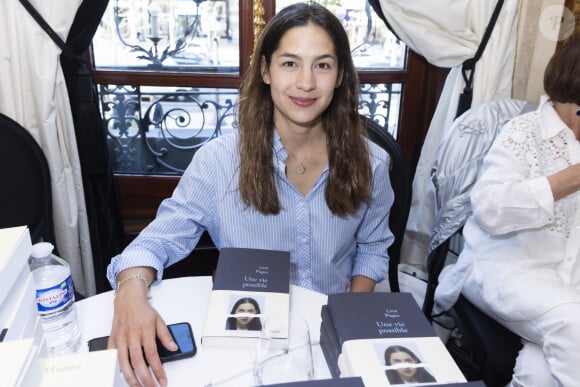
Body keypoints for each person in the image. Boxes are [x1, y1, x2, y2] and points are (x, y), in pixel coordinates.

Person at [106, 3, 394, 386]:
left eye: (322, 65)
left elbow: (373, 250)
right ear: (265, 71)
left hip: (332, 337)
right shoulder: (219, 162)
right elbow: (153, 243)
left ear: (340, 75)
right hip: (244, 343)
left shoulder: (373, 162)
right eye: (290, 63)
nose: (306, 83)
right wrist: (129, 293)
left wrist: (348, 327)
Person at [435, 32, 580, 386]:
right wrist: (568, 179)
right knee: (573, 325)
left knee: (541, 371)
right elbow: (490, 209)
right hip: (504, 268)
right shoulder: (523, 132)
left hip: (566, 281)